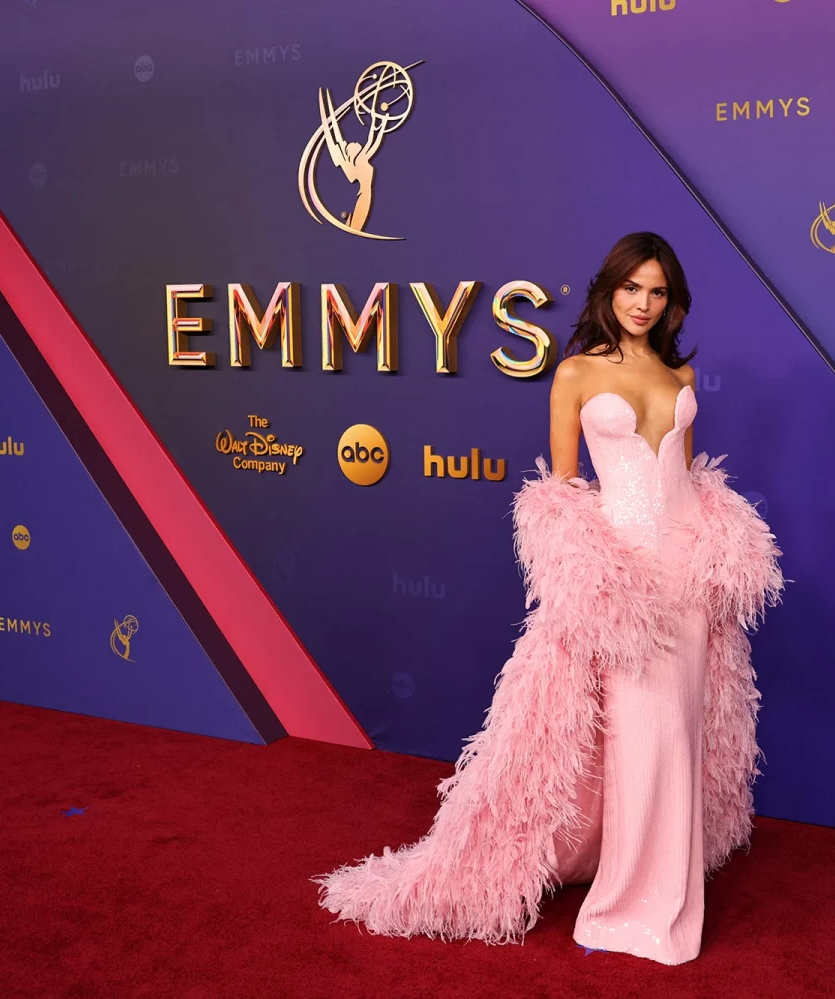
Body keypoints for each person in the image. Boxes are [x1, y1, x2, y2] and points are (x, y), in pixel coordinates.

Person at [314, 232, 783, 966]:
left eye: (657, 292)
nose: (643, 302)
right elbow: (563, 490)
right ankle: (628, 896)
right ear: (610, 289)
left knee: (678, 733)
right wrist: (590, 577)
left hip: (686, 576)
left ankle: (667, 892)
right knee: (634, 733)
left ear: (672, 302)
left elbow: (689, 481)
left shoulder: (680, 371)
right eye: (633, 287)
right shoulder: (574, 373)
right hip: (622, 585)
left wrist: (723, 555)